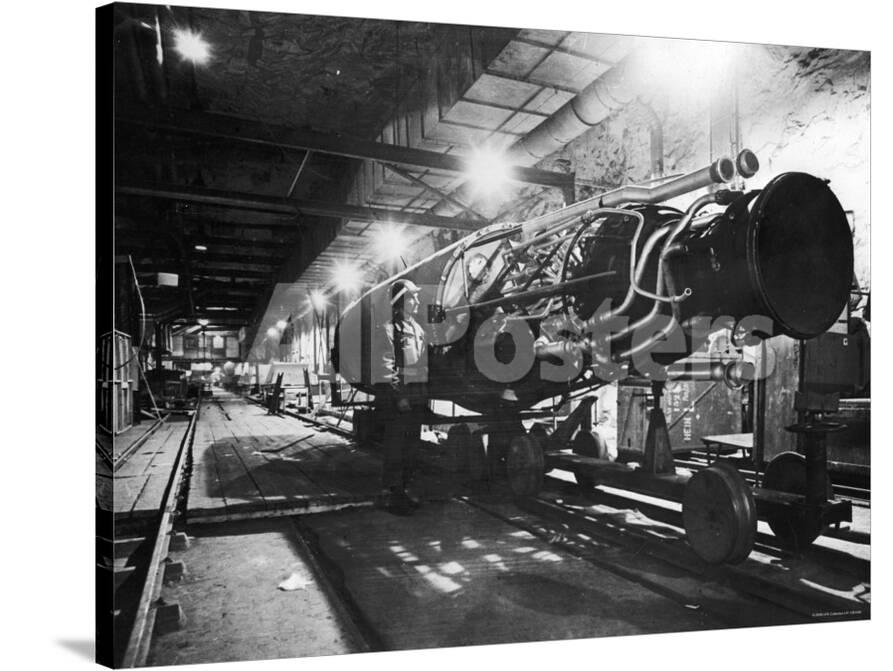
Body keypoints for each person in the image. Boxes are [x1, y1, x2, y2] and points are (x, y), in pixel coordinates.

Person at [374, 278, 427, 515]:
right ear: (401, 301)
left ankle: (403, 492)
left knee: (412, 449)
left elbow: (423, 365)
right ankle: (390, 495)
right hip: (399, 401)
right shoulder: (387, 331)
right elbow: (387, 369)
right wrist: (399, 397)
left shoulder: (418, 330)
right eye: (413, 297)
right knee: (396, 448)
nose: (417, 300)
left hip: (416, 398)